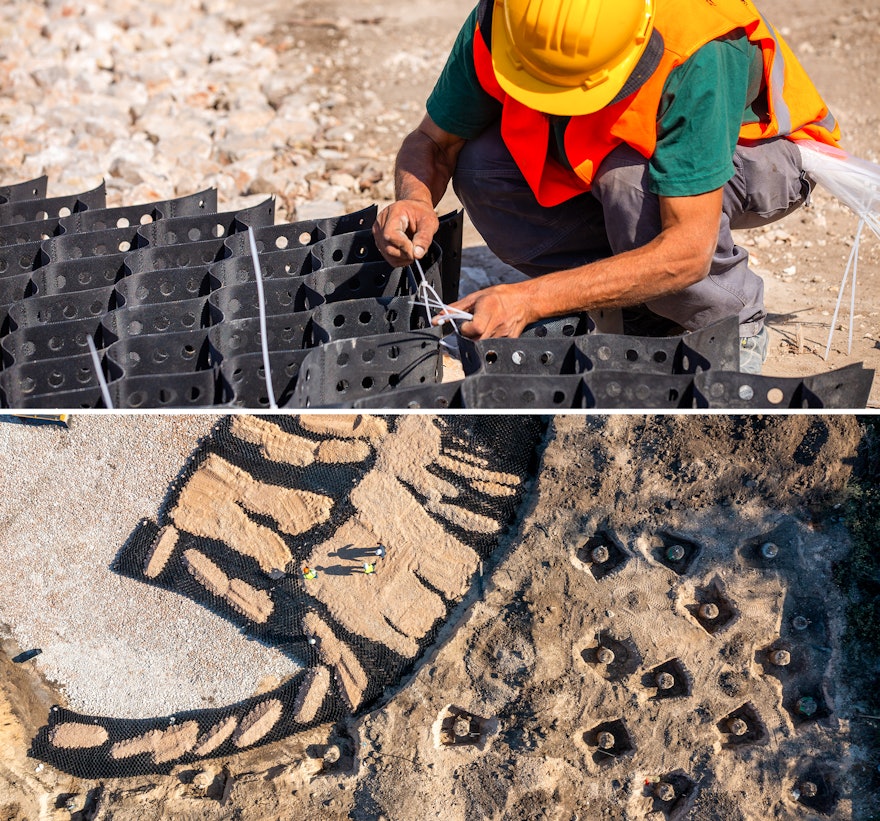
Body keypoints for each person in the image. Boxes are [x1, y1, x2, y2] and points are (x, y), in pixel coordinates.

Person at [372, 0, 840, 372]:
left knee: (631, 185)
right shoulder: (508, 19)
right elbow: (434, 140)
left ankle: (729, 320)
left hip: (763, 156)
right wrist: (415, 199)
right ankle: (637, 302)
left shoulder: (700, 47)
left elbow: (687, 250)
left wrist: (532, 300)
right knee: (481, 166)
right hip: (614, 150)